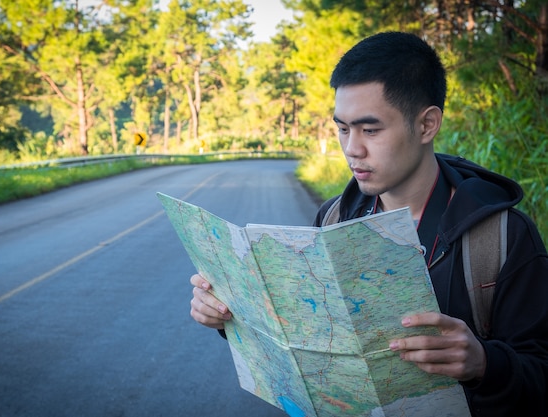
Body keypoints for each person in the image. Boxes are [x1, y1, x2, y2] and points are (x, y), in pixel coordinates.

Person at [189, 32, 548, 416]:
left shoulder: (502, 237)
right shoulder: (333, 218)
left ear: (427, 125)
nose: (351, 148)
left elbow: (540, 375)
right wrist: (231, 316)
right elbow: (309, 340)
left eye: (370, 130)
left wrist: (484, 364)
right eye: (343, 128)